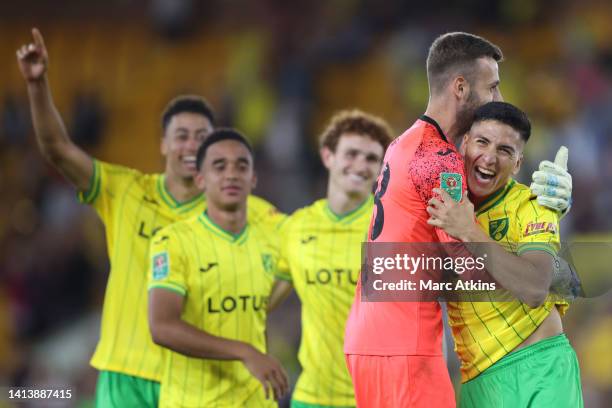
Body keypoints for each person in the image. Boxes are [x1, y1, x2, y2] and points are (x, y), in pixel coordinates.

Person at [16, 28, 279, 406]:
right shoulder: (125, 191)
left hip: (195, 379)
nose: (191, 145)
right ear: (162, 144)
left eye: (201, 136)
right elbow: (57, 148)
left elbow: (302, 244)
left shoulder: (242, 210)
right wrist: (38, 86)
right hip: (126, 377)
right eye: (181, 135)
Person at [343, 32, 572, 408]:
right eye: (493, 87)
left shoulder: (405, 143)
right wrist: (542, 235)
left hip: (368, 339)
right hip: (407, 343)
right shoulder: (440, 159)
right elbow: (470, 268)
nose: (499, 99)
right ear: (461, 87)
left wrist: (547, 201)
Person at [426, 101, 582, 407]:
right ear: (465, 143)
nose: (489, 158)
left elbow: (535, 288)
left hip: (541, 369)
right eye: (482, 142)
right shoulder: (438, 201)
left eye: (505, 150)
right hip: (478, 383)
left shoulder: (535, 203)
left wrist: (469, 231)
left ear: (518, 163)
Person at [148, 129, 288, 407]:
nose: (232, 174)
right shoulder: (173, 241)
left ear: (253, 179)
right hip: (191, 402)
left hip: (256, 400)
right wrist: (245, 352)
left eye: (242, 166)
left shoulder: (274, 237)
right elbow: (162, 327)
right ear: (200, 179)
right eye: (219, 166)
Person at [270, 110, 393, 408]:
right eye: (351, 153)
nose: (360, 165)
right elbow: (259, 303)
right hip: (311, 398)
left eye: (372, 159)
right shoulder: (295, 227)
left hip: (375, 398)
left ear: (380, 170)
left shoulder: (390, 229)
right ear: (328, 157)